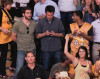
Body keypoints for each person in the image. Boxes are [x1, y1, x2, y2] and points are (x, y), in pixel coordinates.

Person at [36, 5, 65, 71]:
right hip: (45, 49)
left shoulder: (58, 21)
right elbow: (37, 35)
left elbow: (63, 34)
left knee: (59, 68)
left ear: (53, 13)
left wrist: (55, 34)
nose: (49, 17)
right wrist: (45, 34)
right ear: (45, 13)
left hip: (57, 48)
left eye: (51, 15)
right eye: (48, 15)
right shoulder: (41, 22)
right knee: (45, 68)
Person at [12, 7, 37, 79]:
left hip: (32, 48)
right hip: (21, 49)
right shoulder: (17, 24)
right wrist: (20, 42)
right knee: (19, 69)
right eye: (27, 13)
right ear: (23, 14)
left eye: (30, 13)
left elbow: (35, 35)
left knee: (32, 68)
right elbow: (13, 37)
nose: (30, 15)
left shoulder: (34, 24)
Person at [0, 0, 13, 78]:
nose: (11, 6)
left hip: (9, 36)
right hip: (2, 38)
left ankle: (13, 65)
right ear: (5, 4)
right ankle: (2, 72)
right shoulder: (1, 11)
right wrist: (3, 30)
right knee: (3, 56)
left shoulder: (6, 11)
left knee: (15, 47)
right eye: (9, 4)